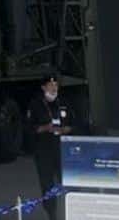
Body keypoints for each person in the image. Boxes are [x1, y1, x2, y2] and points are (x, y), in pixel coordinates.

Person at [27, 75, 72, 220]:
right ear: (43, 87)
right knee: (47, 185)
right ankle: (52, 214)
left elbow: (74, 123)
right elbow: (29, 128)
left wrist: (67, 129)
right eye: (50, 85)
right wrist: (44, 128)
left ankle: (70, 211)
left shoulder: (63, 102)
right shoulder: (35, 105)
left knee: (67, 181)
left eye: (56, 85)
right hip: (44, 150)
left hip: (62, 149)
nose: (54, 88)